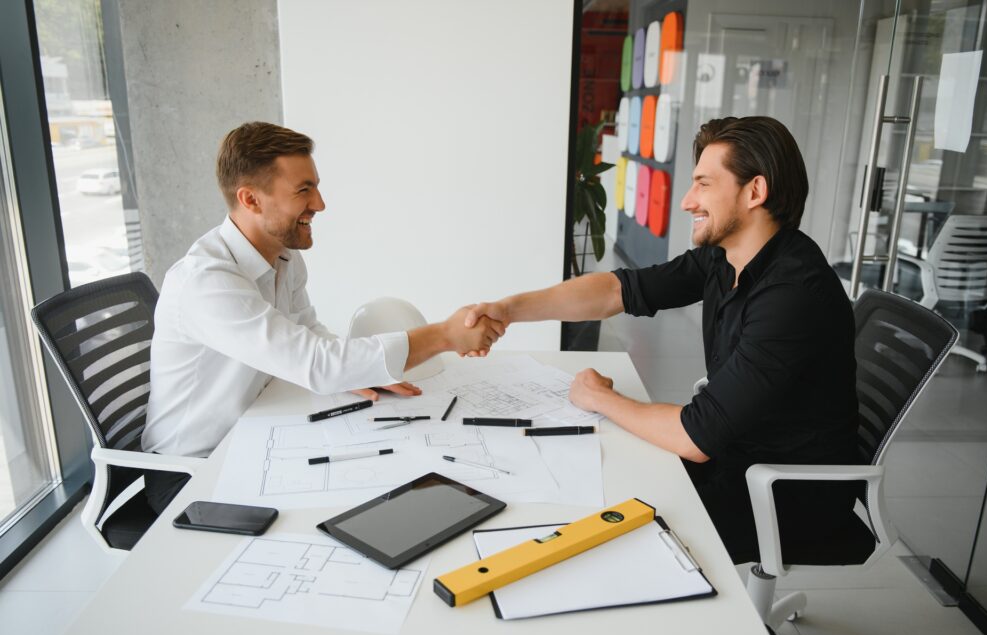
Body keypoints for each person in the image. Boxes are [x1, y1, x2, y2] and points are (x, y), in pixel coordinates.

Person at [464, 116, 860, 562]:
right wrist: (509, 310)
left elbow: (695, 437)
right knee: (593, 475)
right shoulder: (724, 259)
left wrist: (599, 397)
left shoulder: (793, 294)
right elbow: (619, 290)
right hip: (736, 453)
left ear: (754, 192)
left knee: (603, 537)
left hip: (783, 494)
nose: (688, 201)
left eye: (703, 184)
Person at [141, 121, 503, 513]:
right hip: (191, 472)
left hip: (252, 436)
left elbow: (308, 331)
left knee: (384, 473)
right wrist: (445, 335)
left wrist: (364, 372)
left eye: (315, 186)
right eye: (303, 190)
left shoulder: (282, 256)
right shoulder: (206, 283)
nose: (320, 203)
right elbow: (315, 363)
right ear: (251, 200)